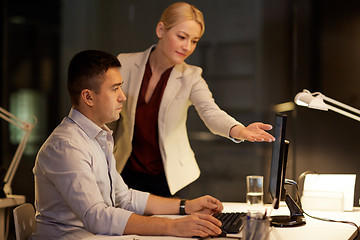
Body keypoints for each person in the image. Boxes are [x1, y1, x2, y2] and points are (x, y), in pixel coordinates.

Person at [32, 49, 224, 239]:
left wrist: (185, 206)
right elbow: (97, 216)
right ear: (88, 97)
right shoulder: (66, 146)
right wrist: (173, 226)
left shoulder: (98, 137)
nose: (123, 96)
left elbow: (124, 197)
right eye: (115, 88)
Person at [109, 2, 275, 197]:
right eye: (181, 37)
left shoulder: (192, 76)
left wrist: (238, 130)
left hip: (171, 179)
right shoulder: (125, 64)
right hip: (125, 173)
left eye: (194, 41)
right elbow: (108, 117)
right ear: (161, 29)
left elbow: (211, 112)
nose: (187, 47)